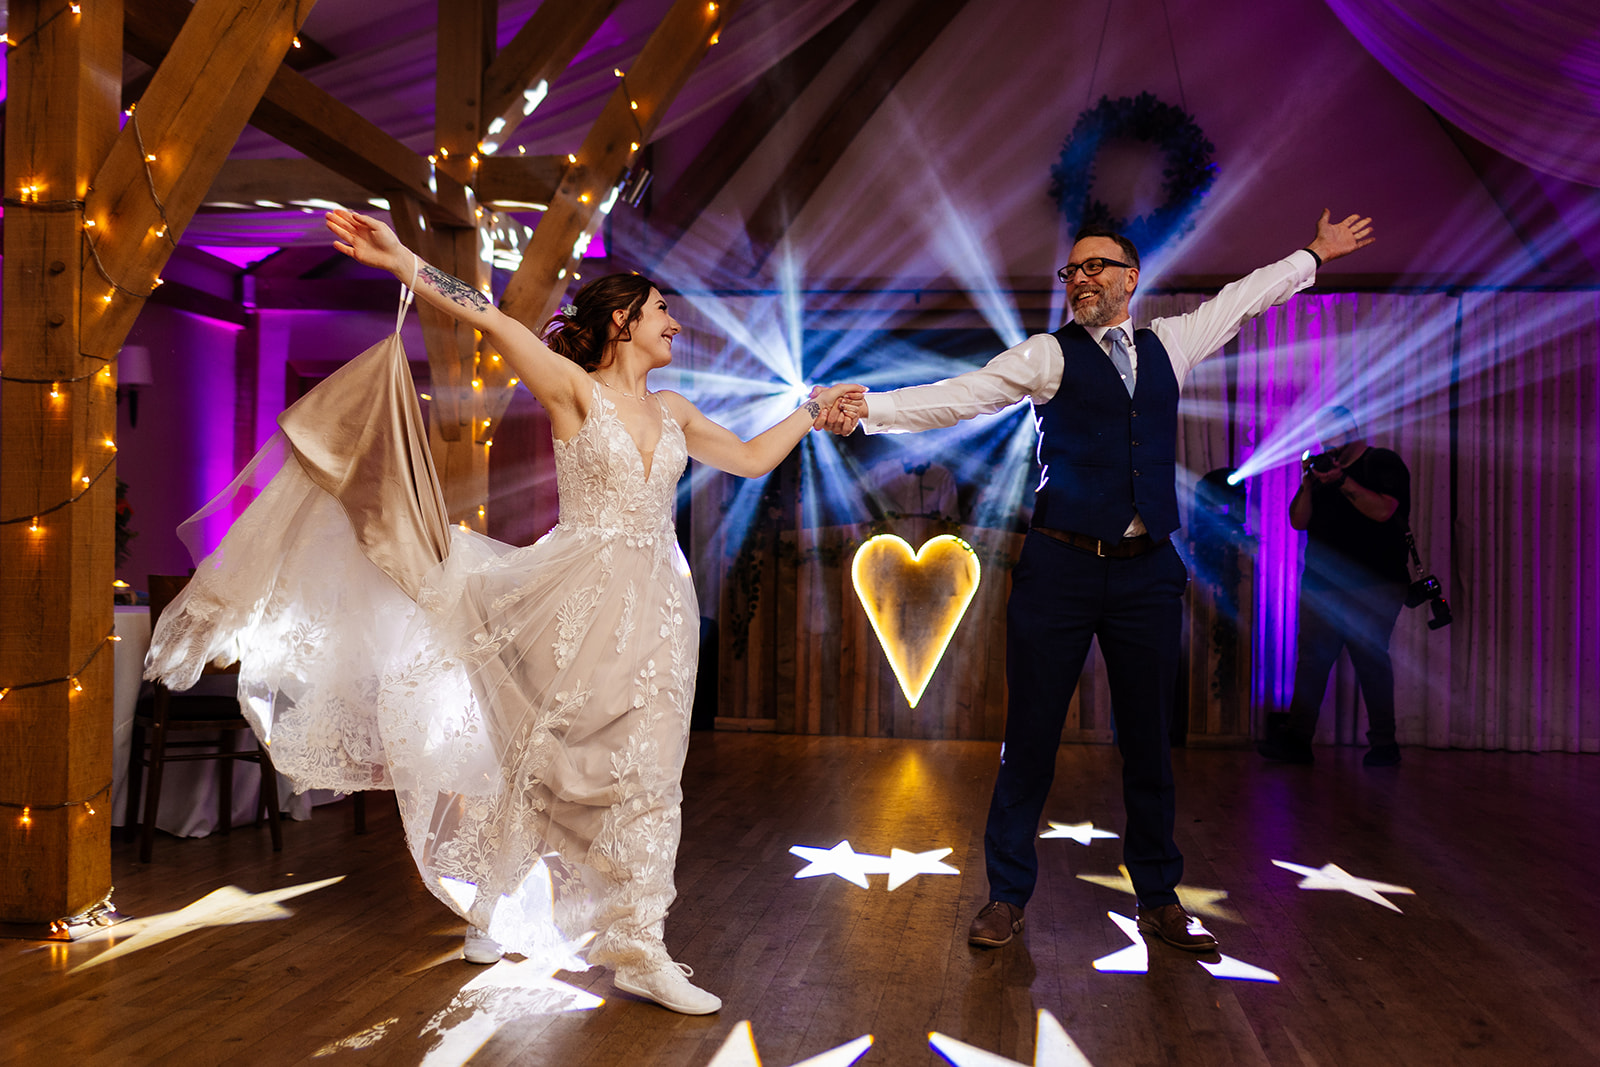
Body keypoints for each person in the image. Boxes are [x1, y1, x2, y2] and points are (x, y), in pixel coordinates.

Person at [145, 209, 863, 1016]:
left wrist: (814, 411)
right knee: (546, 755)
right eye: (663, 309)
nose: (677, 321)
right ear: (622, 320)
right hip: (573, 595)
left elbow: (751, 456)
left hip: (659, 602)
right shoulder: (571, 390)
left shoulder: (675, 412)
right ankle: (498, 899)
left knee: (654, 770)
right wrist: (404, 260)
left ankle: (641, 945)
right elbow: (484, 314)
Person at [823, 210, 1375, 954]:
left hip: (1147, 572)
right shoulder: (1048, 356)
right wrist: (870, 411)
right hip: (1060, 568)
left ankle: (1158, 898)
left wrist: (1313, 253)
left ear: (1129, 278)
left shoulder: (1170, 343)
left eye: (1095, 267)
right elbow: (964, 393)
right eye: (1071, 270)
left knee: (1148, 742)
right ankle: (1007, 896)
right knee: (1031, 741)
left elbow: (1245, 298)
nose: (1079, 278)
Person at [1258, 406, 1409, 767]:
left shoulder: (1382, 463)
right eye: (1323, 435)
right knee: (1311, 661)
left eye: (1334, 434)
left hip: (1374, 585)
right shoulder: (1321, 471)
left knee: (1370, 661)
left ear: (1353, 429)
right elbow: (1298, 521)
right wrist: (1309, 484)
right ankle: (1297, 741)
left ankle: (1385, 746)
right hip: (1321, 586)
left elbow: (1383, 511)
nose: (1328, 442)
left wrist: (1342, 481)